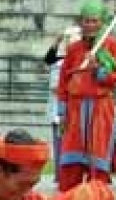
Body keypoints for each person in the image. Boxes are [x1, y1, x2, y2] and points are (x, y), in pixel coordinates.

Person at [56, 0, 116, 191]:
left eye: (94, 21)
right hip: (75, 110)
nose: (89, 25)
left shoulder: (110, 46)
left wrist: (99, 71)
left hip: (100, 109)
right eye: (86, 21)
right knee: (71, 160)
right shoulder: (74, 49)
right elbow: (63, 81)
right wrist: (62, 112)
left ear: (101, 23)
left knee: (98, 158)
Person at [43, 24, 81, 167]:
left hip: (71, 108)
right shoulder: (59, 60)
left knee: (70, 144)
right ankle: (59, 173)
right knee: (58, 143)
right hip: (56, 109)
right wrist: (56, 42)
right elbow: (47, 60)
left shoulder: (80, 62)